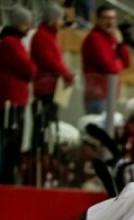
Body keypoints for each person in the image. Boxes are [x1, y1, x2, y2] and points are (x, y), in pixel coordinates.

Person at [31, 3, 74, 155]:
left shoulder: (51, 35)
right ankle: (42, 153)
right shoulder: (42, 36)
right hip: (45, 87)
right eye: (60, 19)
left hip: (52, 86)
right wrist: (65, 72)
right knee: (45, 122)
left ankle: (47, 151)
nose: (62, 23)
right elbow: (49, 60)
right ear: (53, 19)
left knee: (51, 121)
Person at [0, 5, 36, 184]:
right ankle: (6, 179)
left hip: (13, 98)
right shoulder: (11, 43)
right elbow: (28, 68)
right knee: (11, 143)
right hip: (12, 100)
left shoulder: (10, 41)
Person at [81, 2, 131, 115]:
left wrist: (120, 43)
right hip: (97, 96)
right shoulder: (94, 39)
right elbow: (110, 68)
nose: (110, 22)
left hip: (110, 94)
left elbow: (127, 62)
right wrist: (118, 64)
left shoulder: (112, 38)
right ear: (98, 19)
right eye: (106, 18)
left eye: (113, 18)